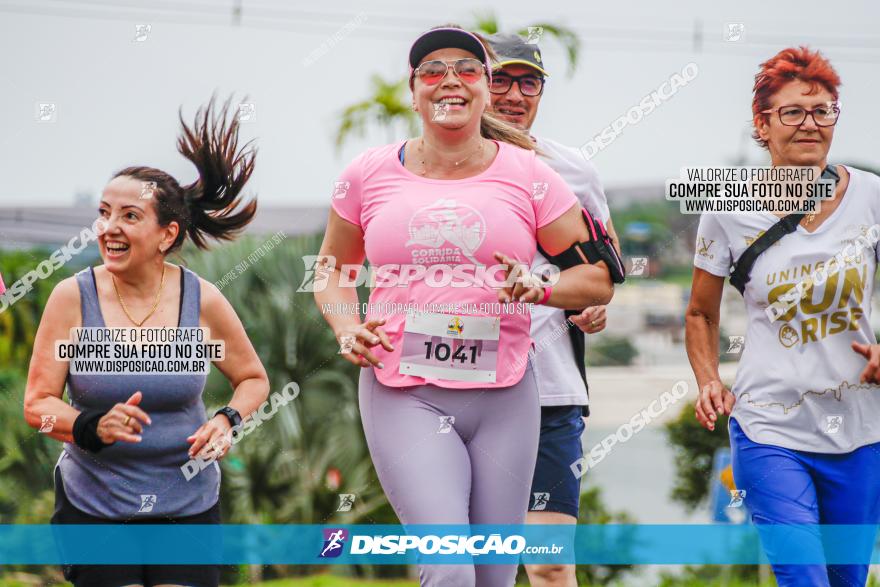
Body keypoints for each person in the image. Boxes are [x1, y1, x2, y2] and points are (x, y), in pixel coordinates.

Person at [315, 24, 615, 587]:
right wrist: (345, 326)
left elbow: (598, 277)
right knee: (450, 567)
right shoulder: (366, 174)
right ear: (413, 88)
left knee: (496, 576)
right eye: (433, 71)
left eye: (467, 70)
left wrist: (541, 288)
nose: (449, 81)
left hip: (507, 396)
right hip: (405, 391)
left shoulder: (533, 175)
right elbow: (333, 269)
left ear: (484, 85)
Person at [23, 98, 271, 587]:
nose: (109, 227)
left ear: (166, 234)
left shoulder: (201, 300)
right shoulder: (72, 297)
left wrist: (226, 420)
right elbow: (37, 405)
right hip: (94, 503)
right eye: (104, 213)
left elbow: (253, 379)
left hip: (187, 500)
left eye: (129, 216)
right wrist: (93, 424)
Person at [685, 46, 880, 587]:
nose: (810, 124)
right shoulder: (727, 206)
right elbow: (701, 313)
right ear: (763, 124)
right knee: (803, 577)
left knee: (848, 579)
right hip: (769, 426)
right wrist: (708, 380)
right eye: (792, 112)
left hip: (861, 431)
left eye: (823, 110)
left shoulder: (871, 197)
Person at [485, 32, 621, 587]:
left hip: (550, 388)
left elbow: (603, 271)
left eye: (529, 82)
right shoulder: (428, 167)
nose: (515, 95)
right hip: (456, 384)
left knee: (547, 563)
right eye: (501, 80)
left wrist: (587, 308)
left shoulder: (574, 169)